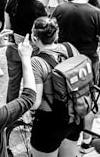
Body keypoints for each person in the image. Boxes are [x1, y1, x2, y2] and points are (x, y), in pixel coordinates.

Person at [28, 16, 85, 157]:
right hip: (75, 115)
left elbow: (34, 104)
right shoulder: (69, 48)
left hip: (50, 123)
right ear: (56, 34)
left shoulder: (36, 62)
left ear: (35, 38)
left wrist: (24, 58)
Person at [4, 0, 46, 103]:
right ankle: (30, 111)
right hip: (32, 50)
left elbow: (7, 27)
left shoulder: (12, 1)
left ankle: (11, 115)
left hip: (14, 48)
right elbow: (42, 30)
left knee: (13, 84)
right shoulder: (38, 6)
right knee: (32, 83)